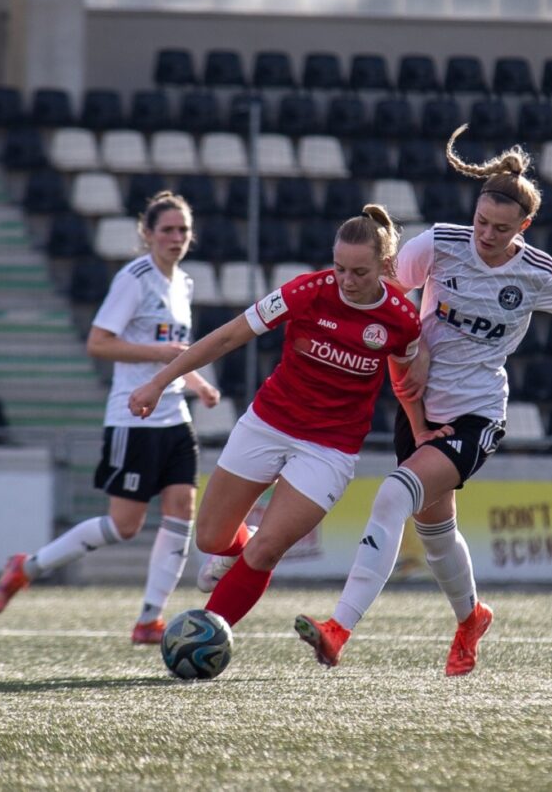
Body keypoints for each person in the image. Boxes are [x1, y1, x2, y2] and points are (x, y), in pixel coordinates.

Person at [294, 125, 552, 676]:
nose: (486, 234)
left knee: (392, 497)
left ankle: (338, 629)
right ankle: (472, 618)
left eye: (501, 228)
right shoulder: (440, 243)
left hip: (475, 414)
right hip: (418, 406)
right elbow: (390, 298)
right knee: (435, 534)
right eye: (482, 221)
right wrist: (390, 351)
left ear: (524, 228)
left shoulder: (536, 273)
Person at [125, 203, 427, 636]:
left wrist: (420, 427)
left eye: (359, 273)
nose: (346, 281)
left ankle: (206, 635)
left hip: (330, 448)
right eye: (340, 268)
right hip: (269, 423)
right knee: (211, 540)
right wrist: (159, 382)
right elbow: (229, 335)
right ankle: (237, 544)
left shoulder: (401, 318)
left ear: (384, 267)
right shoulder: (306, 291)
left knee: (267, 549)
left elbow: (405, 373)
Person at [0, 192, 221, 643]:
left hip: (174, 415)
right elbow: (98, 343)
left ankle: (150, 619)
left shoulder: (184, 284)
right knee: (124, 525)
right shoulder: (134, 279)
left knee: (182, 510)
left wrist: (197, 384)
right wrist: (159, 353)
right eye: (168, 230)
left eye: (183, 230)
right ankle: (27, 567)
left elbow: (176, 353)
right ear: (148, 234)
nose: (176, 238)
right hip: (134, 417)